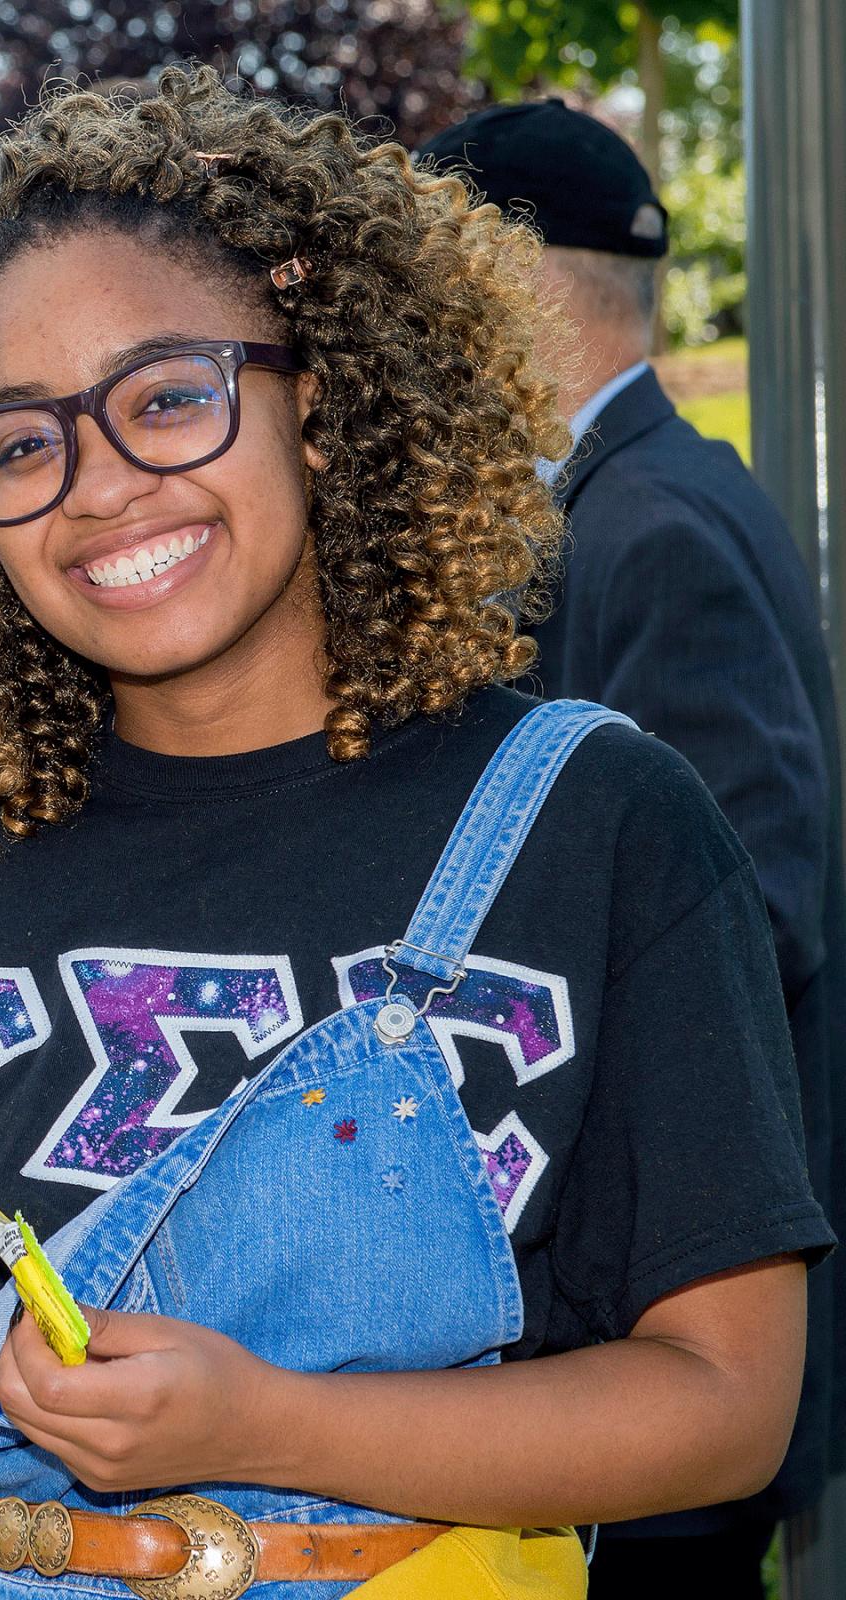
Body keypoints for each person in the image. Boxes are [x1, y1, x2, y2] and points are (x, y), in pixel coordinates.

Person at [0, 69, 832, 1600]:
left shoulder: (599, 826)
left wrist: (271, 1424)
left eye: (169, 397)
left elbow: (726, 1410)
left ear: (324, 405)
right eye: (22, 443)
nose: (99, 487)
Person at [419, 99, 845, 1600]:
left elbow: (754, 909)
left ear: (512, 284)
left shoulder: (645, 525)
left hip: (664, 1321)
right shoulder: (638, 498)